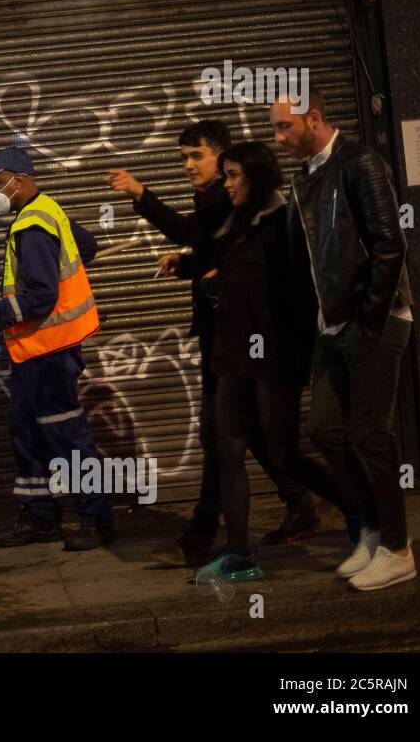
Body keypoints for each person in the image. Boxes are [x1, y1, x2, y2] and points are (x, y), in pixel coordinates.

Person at [107, 121, 317, 567]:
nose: (187, 165)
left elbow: (204, 245)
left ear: (223, 158)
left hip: (240, 336)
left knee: (219, 436)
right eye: (183, 157)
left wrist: (142, 195)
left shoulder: (231, 198)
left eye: (195, 156)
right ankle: (299, 502)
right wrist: (187, 267)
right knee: (242, 433)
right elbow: (209, 253)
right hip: (224, 334)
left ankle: (202, 536)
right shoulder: (218, 199)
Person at [271, 91, 416, 591]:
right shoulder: (305, 177)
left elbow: (388, 242)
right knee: (326, 429)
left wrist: (370, 318)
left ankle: (399, 549)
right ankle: (374, 531)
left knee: (371, 434)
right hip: (330, 324)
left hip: (374, 319)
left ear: (313, 119)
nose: (278, 138)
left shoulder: (360, 163)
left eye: (284, 127)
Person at [191, 142, 346, 584]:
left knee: (284, 453)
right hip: (231, 353)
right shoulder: (235, 225)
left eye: (235, 174)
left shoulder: (285, 222)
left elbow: (300, 294)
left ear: (257, 176)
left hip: (273, 355)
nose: (228, 182)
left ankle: (360, 514)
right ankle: (239, 556)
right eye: (225, 174)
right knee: (228, 449)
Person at [0, 145, 113, 550]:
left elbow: (42, 296)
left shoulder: (31, 226)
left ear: (20, 180)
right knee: (26, 430)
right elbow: (89, 246)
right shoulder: (49, 209)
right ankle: (40, 516)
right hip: (34, 351)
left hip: (50, 350)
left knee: (67, 435)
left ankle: (96, 519)